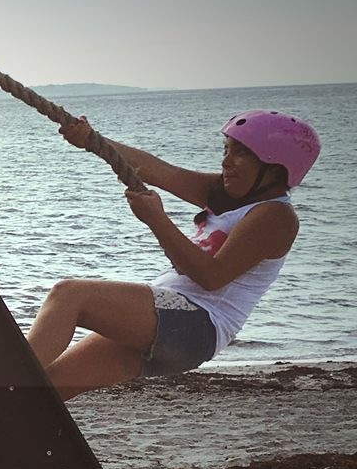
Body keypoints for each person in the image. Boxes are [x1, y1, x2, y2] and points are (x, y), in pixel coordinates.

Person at [26, 110, 320, 400]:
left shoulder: (275, 215)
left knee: (69, 295)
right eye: (226, 149)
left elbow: (211, 277)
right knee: (47, 390)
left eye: (241, 153)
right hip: (171, 323)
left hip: (196, 325)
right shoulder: (228, 195)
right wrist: (93, 141)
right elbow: (160, 172)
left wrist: (156, 219)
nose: (226, 161)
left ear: (276, 168)